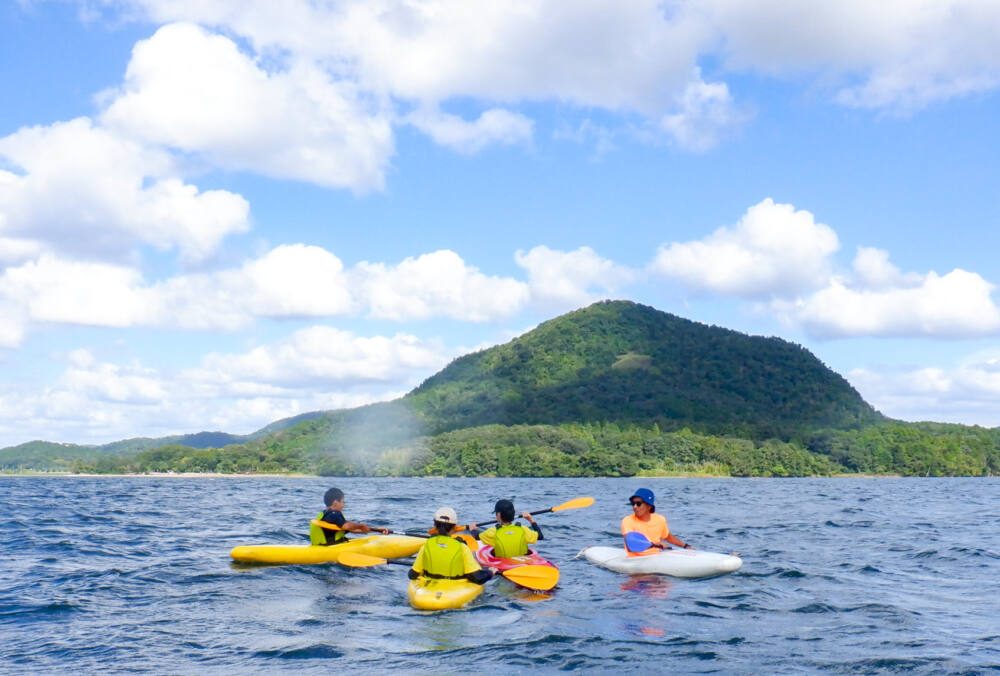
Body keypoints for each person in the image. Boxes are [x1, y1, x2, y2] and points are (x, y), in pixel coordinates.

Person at [409, 507, 496, 584]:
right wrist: (490, 572)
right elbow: (477, 578)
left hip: (429, 589)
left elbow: (412, 574)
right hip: (454, 586)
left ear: (435, 525)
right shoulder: (462, 547)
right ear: (455, 527)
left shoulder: (426, 545)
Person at [621, 488, 692, 557]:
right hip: (636, 558)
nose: (635, 507)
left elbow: (667, 536)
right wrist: (654, 545)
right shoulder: (628, 520)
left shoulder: (660, 519)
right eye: (633, 503)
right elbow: (630, 544)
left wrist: (685, 546)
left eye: (638, 503)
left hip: (656, 556)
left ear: (649, 506)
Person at [309, 487, 389, 546]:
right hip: (330, 548)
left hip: (324, 546)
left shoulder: (325, 514)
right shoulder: (334, 514)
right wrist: (361, 525)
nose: (343, 505)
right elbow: (347, 526)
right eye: (343, 502)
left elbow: (353, 530)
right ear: (335, 502)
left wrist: (378, 530)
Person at [477, 499, 543, 558]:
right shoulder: (522, 529)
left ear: (499, 515)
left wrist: (472, 529)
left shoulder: (493, 531)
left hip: (502, 566)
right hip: (522, 564)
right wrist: (530, 519)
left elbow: (477, 537)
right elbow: (540, 536)